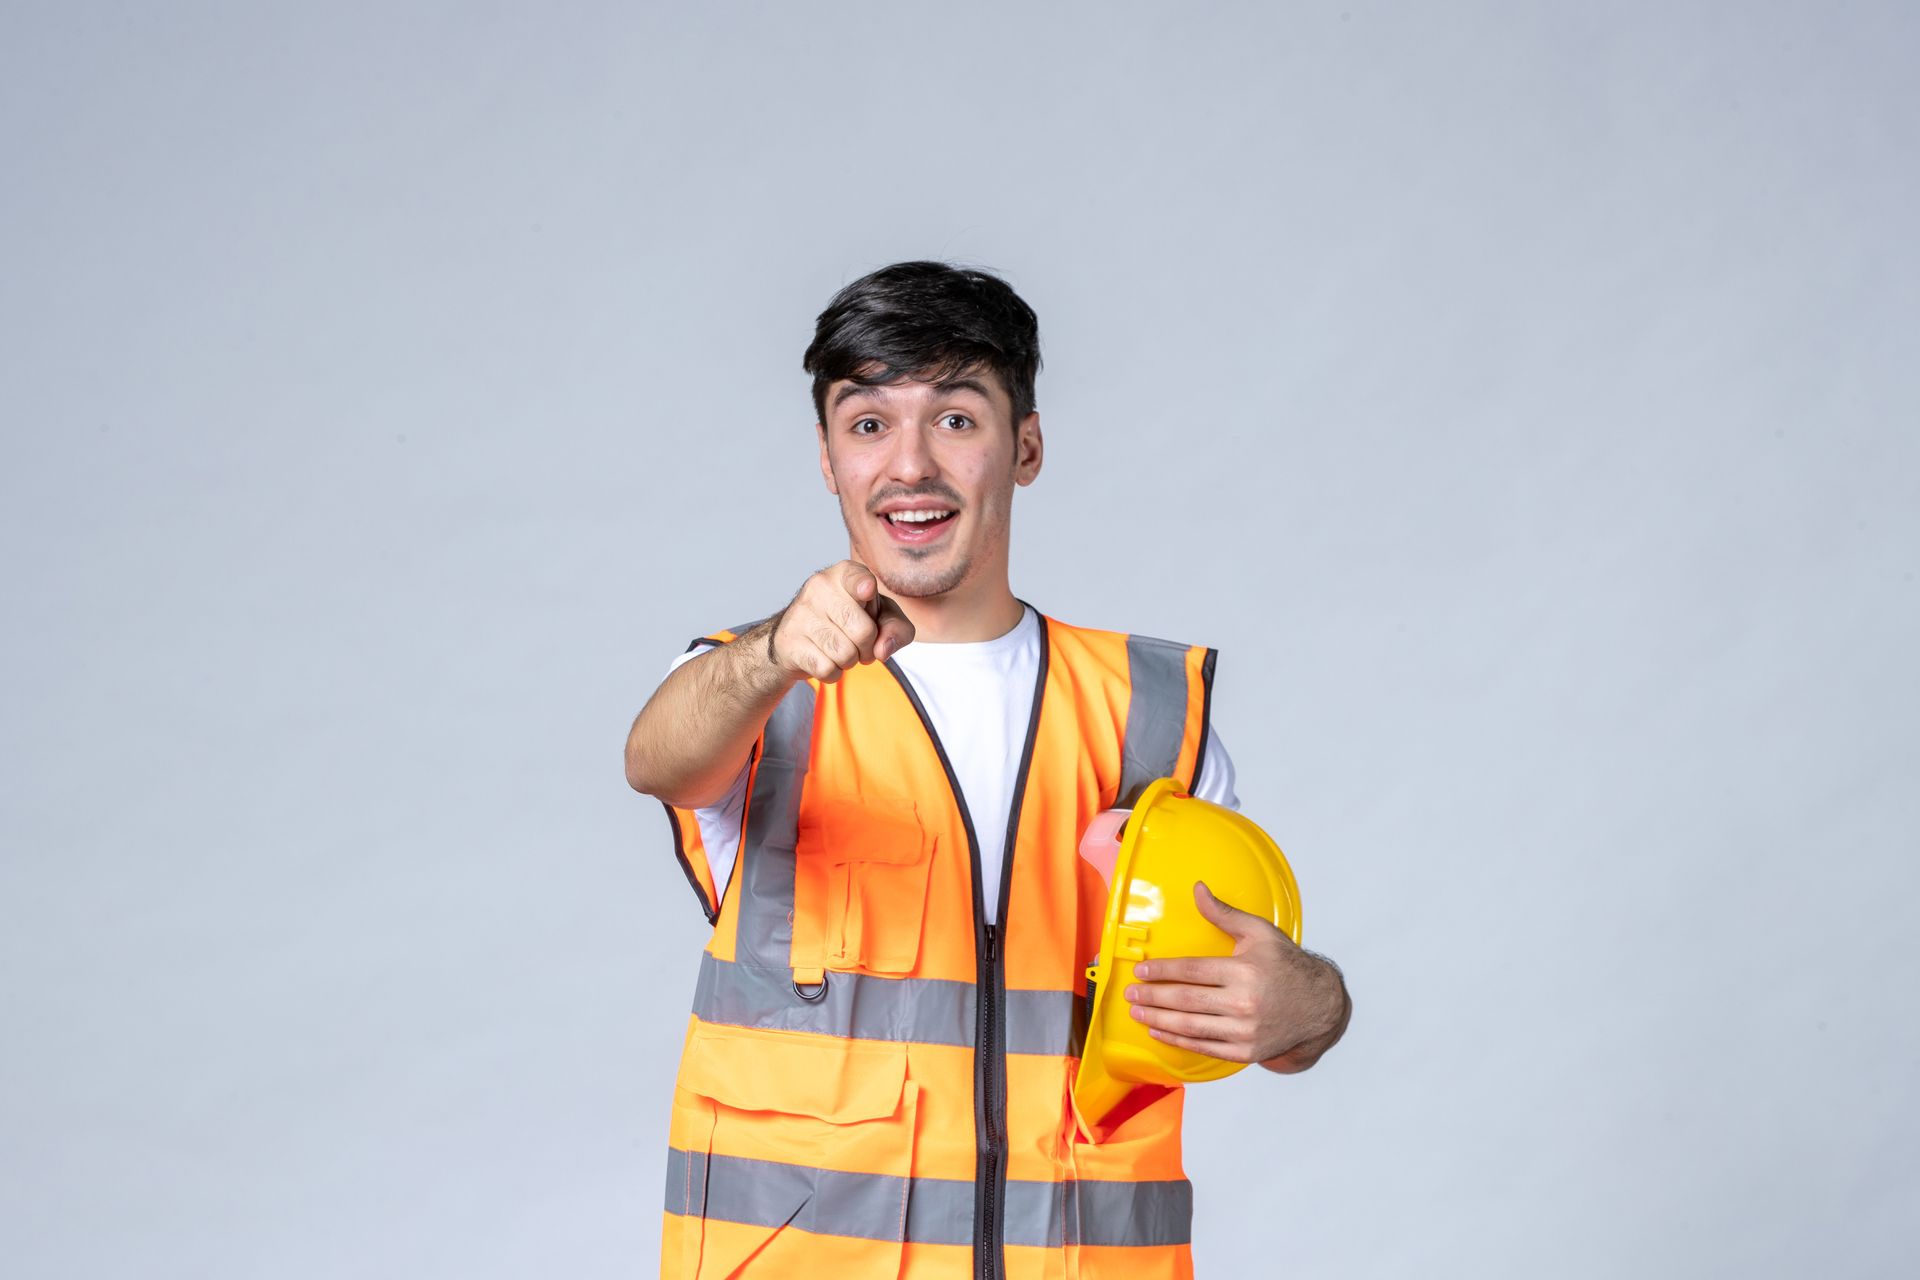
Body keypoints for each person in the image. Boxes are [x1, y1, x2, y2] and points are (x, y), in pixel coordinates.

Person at [624, 261, 1351, 1279]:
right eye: (867, 422)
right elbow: (655, 758)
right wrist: (773, 652)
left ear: (1027, 446)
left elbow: (1254, 998)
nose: (909, 463)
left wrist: (1311, 1003)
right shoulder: (755, 682)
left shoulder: (1150, 716)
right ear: (828, 458)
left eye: (956, 417)